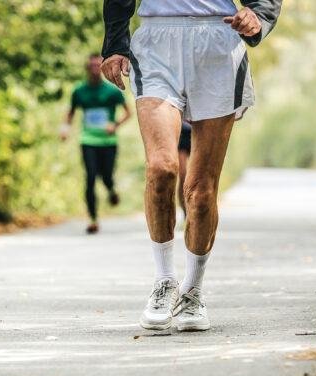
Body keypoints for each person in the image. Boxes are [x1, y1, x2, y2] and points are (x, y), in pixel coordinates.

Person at [101, 0, 282, 331]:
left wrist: (258, 13)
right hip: (156, 42)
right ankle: (165, 281)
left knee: (200, 191)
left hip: (218, 40)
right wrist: (115, 44)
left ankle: (193, 291)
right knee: (161, 168)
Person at [61, 54, 132, 234]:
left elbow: (128, 113)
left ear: (101, 68)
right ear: (87, 68)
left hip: (108, 141)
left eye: (97, 66)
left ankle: (111, 190)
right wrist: (65, 129)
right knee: (91, 177)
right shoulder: (79, 91)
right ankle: (93, 219)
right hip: (88, 140)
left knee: (106, 175)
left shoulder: (112, 91)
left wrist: (114, 125)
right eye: (91, 66)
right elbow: (70, 112)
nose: (94, 69)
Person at [177, 120, 192, 219]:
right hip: (182, 134)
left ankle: (195, 210)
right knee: (183, 176)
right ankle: (185, 212)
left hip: (198, 130)